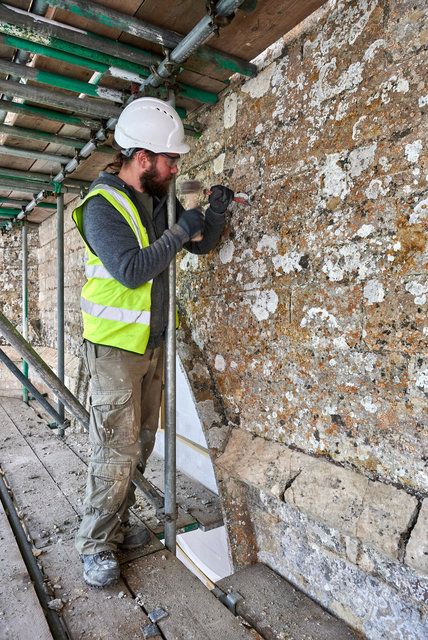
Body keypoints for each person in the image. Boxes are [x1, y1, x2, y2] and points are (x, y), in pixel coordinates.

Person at [72, 97, 234, 587]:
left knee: (141, 443)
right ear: (141, 158)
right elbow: (131, 271)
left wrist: (213, 212)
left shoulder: (156, 199)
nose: (175, 167)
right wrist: (182, 228)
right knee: (117, 449)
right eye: (169, 160)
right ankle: (95, 544)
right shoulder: (104, 206)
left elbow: (199, 243)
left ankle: (116, 529)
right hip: (115, 352)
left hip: (150, 344)